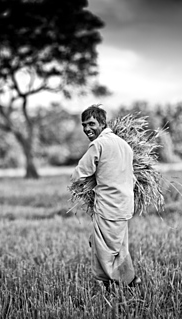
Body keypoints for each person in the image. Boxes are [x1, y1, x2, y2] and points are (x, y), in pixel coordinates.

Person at [71, 104, 141, 288]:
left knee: (103, 250)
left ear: (102, 123)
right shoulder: (125, 145)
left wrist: (78, 186)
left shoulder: (99, 144)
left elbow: (80, 173)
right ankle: (128, 278)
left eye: (91, 123)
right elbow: (131, 177)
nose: (87, 129)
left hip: (108, 206)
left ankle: (119, 282)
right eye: (84, 125)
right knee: (117, 245)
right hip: (125, 205)